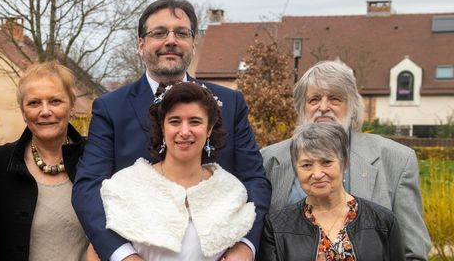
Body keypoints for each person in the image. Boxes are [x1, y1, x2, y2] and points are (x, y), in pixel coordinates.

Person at [72, 0, 270, 261]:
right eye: (159, 33)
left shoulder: (230, 103)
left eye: (181, 33)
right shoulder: (110, 108)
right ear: (141, 45)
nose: (171, 41)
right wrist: (123, 255)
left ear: (192, 43)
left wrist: (245, 245)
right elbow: (88, 188)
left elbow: (255, 180)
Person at [261, 60, 430, 260]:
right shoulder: (269, 159)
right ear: (301, 107)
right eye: (314, 99)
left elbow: (413, 252)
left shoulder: (396, 159)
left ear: (351, 106)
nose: (323, 107)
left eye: (334, 99)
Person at [101, 82, 256, 261]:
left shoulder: (231, 191)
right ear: (162, 127)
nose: (184, 131)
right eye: (175, 121)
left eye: (195, 121)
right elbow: (96, 251)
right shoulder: (126, 184)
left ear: (209, 129)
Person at [0, 61, 88, 261]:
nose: (45, 111)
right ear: (23, 112)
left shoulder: (96, 158)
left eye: (55, 101)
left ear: (72, 106)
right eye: (34, 103)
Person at [257, 123, 406, 261]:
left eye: (326, 162)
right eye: (307, 165)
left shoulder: (383, 221)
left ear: (345, 163)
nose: (317, 173)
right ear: (296, 170)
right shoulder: (276, 227)